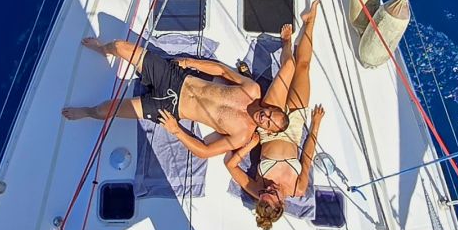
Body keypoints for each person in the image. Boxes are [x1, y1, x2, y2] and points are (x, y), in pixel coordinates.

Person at [62, 36, 289, 159]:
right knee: (120, 46)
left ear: (268, 131)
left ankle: (86, 112)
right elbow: (221, 70)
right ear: (272, 107)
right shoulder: (252, 90)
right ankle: (103, 49)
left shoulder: (242, 135)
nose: (265, 117)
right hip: (176, 78)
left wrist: (176, 130)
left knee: (105, 110)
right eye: (271, 114)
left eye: (269, 123)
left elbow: (205, 152)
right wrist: (189, 62)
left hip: (169, 107)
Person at [224, 1, 324, 230]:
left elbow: (231, 166)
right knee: (303, 67)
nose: (268, 188)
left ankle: (286, 42)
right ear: (281, 204)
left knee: (288, 69)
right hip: (295, 125)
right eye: (272, 192)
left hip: (268, 128)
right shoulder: (298, 189)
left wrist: (251, 146)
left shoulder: (257, 188)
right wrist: (315, 125)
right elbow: (307, 158)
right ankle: (310, 22)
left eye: (264, 192)